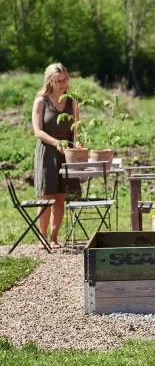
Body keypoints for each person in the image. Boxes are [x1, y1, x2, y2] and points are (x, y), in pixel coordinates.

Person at [32, 63, 82, 249]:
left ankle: (54, 237)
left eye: (66, 79)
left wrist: (77, 142)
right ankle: (42, 237)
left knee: (61, 196)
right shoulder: (41, 101)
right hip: (47, 151)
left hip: (67, 153)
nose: (63, 83)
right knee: (47, 196)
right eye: (59, 81)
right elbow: (38, 131)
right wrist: (56, 143)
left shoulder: (72, 102)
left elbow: (76, 129)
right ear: (50, 81)